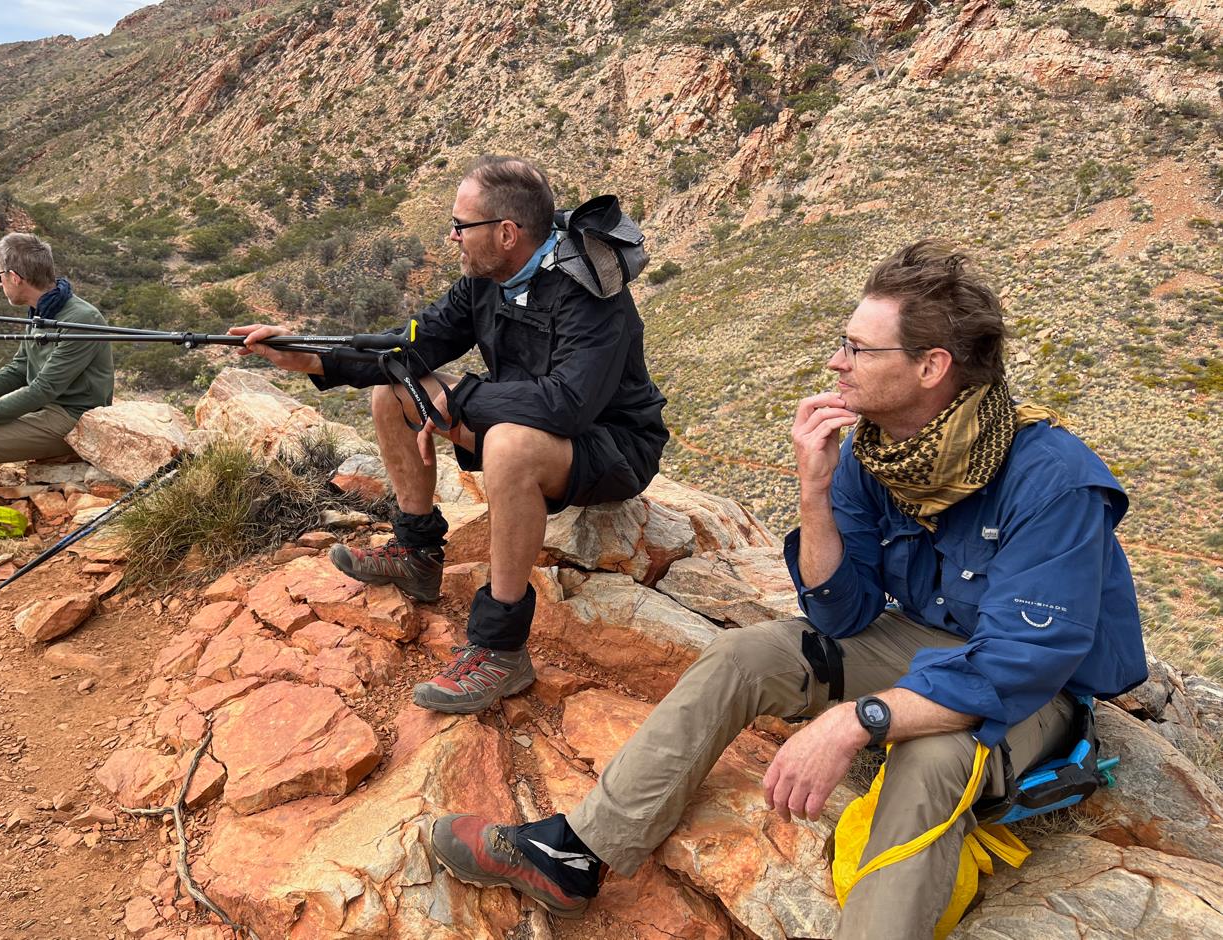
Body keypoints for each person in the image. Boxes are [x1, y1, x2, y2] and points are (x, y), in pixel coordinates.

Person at [428, 240, 1148, 936]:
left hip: (1036, 684)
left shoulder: (1052, 477)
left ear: (931, 366)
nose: (836, 362)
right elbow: (843, 610)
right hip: (930, 646)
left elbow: (1020, 662)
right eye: (843, 342)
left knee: (932, 757)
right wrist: (814, 486)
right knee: (746, 655)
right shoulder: (876, 451)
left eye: (859, 350)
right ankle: (574, 853)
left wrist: (854, 720)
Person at [232, 155, 668, 715]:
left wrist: (460, 399)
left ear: (506, 233)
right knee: (395, 389)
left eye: (462, 225)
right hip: (531, 424)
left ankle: (501, 648)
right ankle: (416, 552)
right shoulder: (486, 281)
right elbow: (410, 347)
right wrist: (307, 355)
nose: (453, 236)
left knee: (509, 442)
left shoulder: (591, 291)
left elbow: (569, 405)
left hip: (612, 448)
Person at [0, 233, 114, 472]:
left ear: (14, 277)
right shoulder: (40, 310)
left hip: (72, 419)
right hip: (39, 406)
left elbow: (43, 389)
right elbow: (20, 368)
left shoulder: (82, 318)